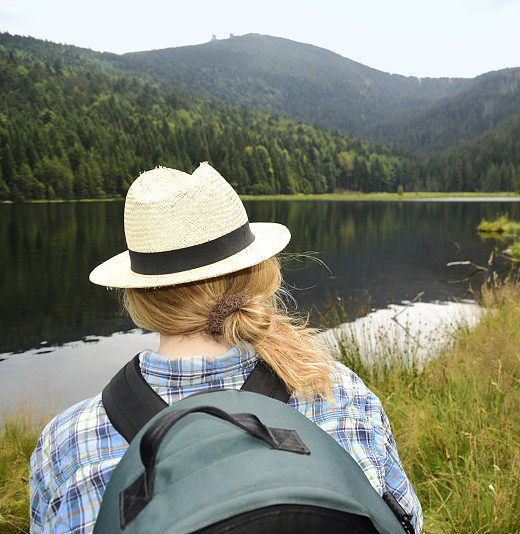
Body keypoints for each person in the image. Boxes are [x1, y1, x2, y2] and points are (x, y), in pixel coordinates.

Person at [28, 162, 422, 534]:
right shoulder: (340, 392)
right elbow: (407, 524)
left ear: (141, 297)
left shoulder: (69, 443)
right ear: (262, 272)